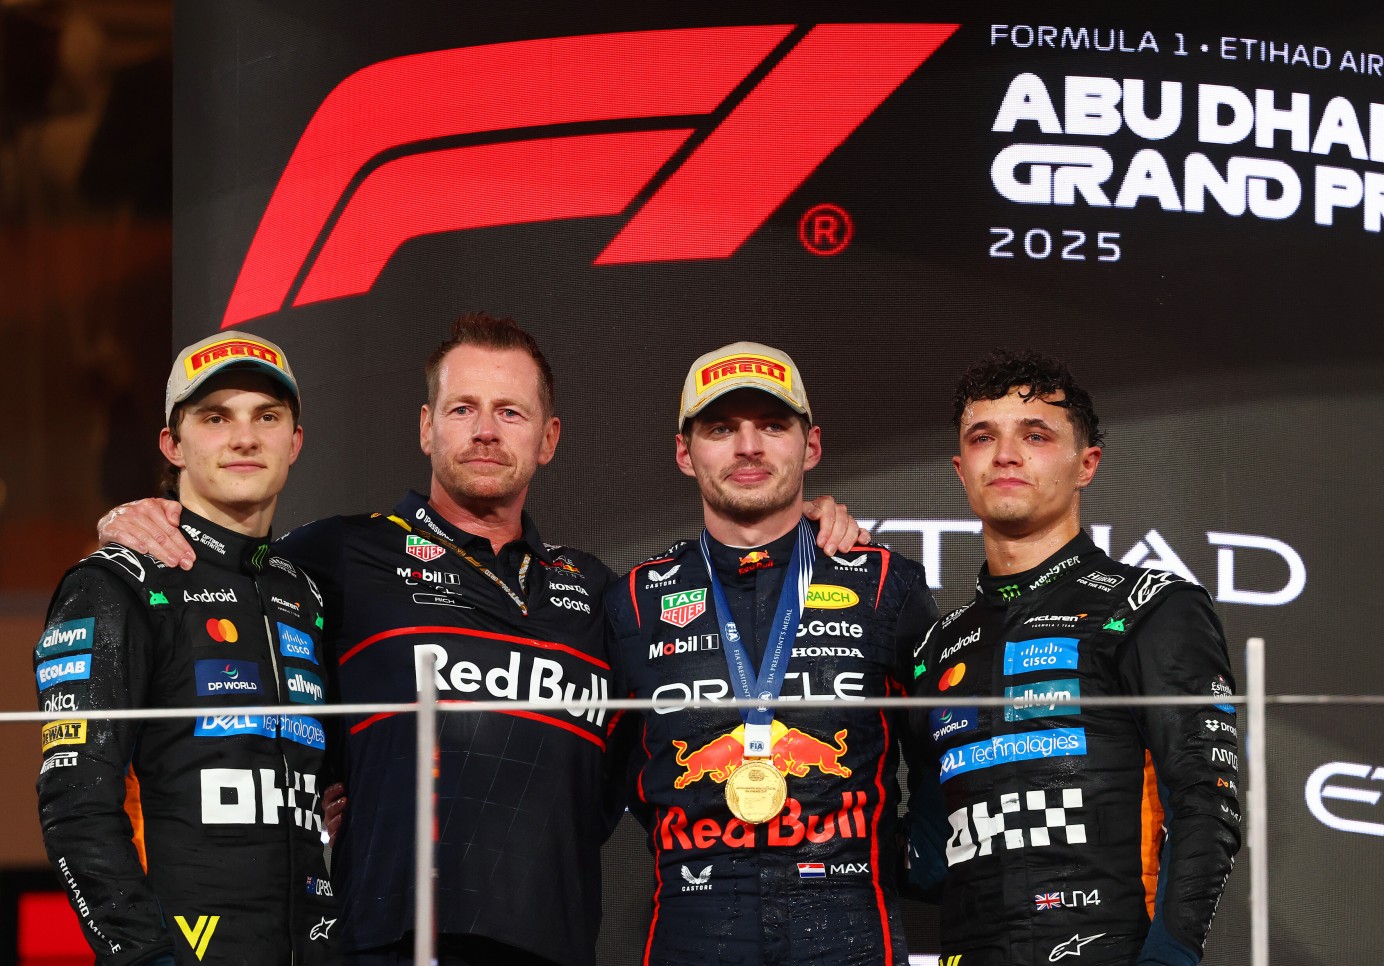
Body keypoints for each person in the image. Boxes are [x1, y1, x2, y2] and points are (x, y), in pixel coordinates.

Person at [98, 314, 865, 966]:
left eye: (512, 412)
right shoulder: (335, 553)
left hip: (557, 943)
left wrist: (812, 528)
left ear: (550, 437)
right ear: (428, 427)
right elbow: (223, 566)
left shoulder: (601, 590)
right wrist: (139, 519)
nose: (487, 432)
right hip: (387, 942)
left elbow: (639, 755)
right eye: (463, 408)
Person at [604, 342, 941, 965]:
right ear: (686, 452)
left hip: (847, 921)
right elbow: (610, 770)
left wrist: (913, 867)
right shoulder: (632, 600)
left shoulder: (886, 584)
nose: (749, 447)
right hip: (694, 917)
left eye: (772, 426)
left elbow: (942, 750)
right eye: (721, 428)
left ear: (810, 445)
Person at [908, 349, 1242, 966]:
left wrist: (1169, 960)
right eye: (984, 438)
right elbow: (928, 861)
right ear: (960, 468)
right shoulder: (937, 645)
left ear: (1086, 463)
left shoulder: (1151, 604)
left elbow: (1205, 806)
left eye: (1035, 435)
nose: (1006, 454)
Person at [36, 332, 339, 965]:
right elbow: (75, 804)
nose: (244, 437)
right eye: (215, 417)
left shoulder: (305, 589)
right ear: (172, 445)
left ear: (296, 441)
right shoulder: (115, 582)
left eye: (267, 416)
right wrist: (145, 958)